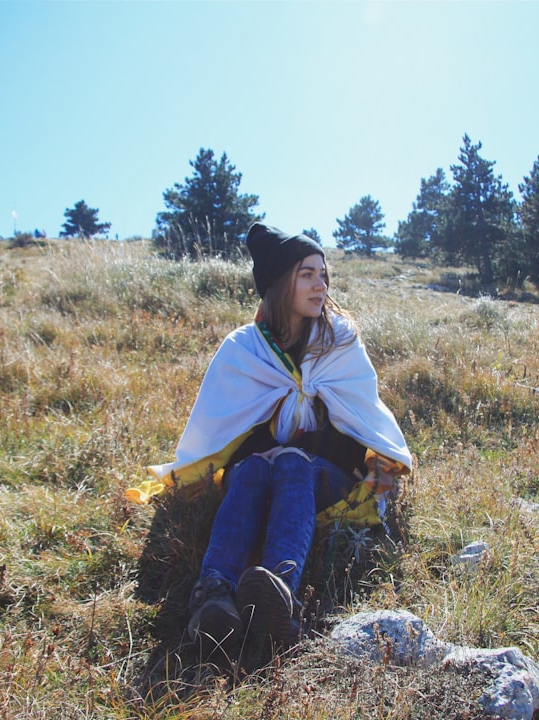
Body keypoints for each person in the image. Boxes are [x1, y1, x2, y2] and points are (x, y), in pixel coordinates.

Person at [127, 222, 412, 665]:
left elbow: (362, 424)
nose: (321, 285)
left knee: (294, 463)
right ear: (281, 283)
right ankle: (213, 597)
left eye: (324, 275)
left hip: (323, 475)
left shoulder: (340, 342)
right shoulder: (243, 348)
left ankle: (280, 594)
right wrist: (266, 448)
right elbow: (223, 429)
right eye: (307, 275)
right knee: (259, 467)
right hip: (256, 472)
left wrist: (298, 446)